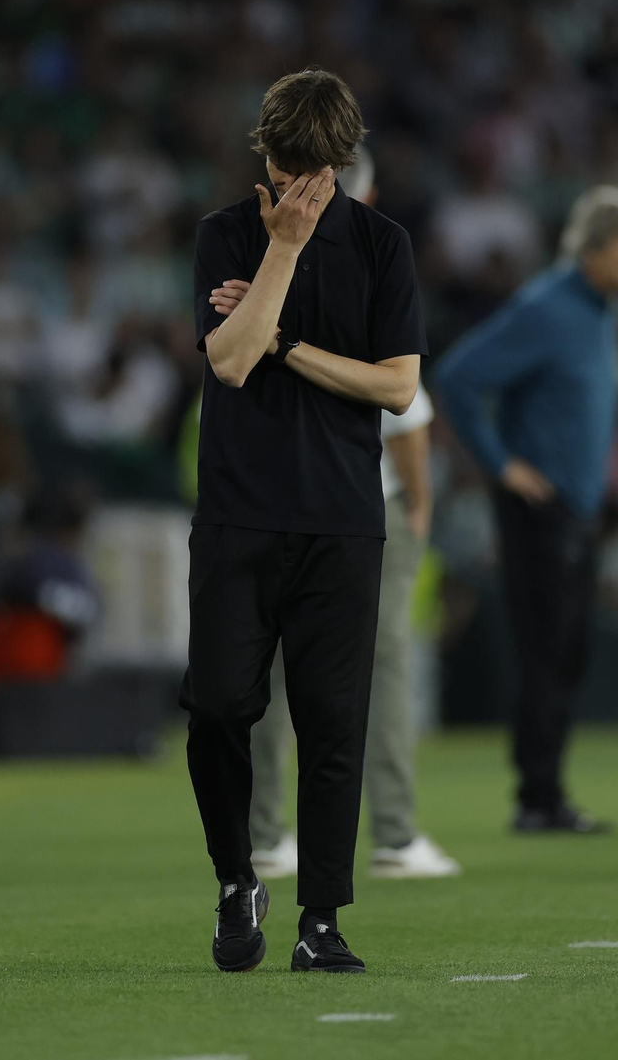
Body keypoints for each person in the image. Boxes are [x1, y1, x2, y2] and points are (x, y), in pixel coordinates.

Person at [181, 69, 424, 974]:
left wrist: (285, 338)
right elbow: (230, 364)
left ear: (344, 165)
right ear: (267, 162)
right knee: (215, 708)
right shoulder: (225, 236)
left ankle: (321, 920)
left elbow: (397, 386)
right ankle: (236, 877)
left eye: (320, 174)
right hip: (239, 515)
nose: (306, 190)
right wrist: (280, 253)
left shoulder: (383, 245)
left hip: (341, 521)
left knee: (333, 726)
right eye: (291, 173)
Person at [212, 149, 460, 882]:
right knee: (376, 669)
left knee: (265, 671)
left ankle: (266, 833)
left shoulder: (249, 264)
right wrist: (417, 504)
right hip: (353, 508)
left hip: (267, 500)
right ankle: (392, 832)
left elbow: (232, 364)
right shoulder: (378, 261)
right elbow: (405, 408)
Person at [435, 186, 618, 834]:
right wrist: (501, 463)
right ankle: (537, 796)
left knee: (569, 648)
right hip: (541, 506)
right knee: (547, 648)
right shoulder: (546, 306)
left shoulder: (598, 308)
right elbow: (457, 375)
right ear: (596, 246)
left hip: (577, 505)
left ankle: (548, 789)